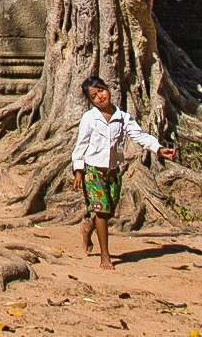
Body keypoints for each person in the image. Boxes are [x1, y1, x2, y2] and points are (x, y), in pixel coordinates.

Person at [71, 75, 176, 270]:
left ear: (107, 89)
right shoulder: (89, 119)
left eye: (101, 91)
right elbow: (81, 145)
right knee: (101, 212)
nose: (100, 97)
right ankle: (105, 256)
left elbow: (139, 135)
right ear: (91, 101)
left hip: (113, 171)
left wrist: (158, 148)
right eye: (94, 96)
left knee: (107, 210)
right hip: (93, 171)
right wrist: (78, 171)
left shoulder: (122, 117)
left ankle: (88, 228)